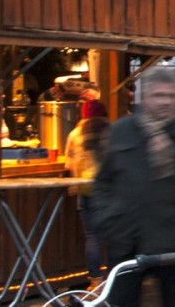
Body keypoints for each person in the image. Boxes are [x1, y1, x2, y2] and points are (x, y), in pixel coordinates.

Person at [91, 65, 175, 307]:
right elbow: (103, 182)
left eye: (171, 96)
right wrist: (108, 221)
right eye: (158, 95)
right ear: (144, 97)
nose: (165, 102)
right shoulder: (121, 131)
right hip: (128, 239)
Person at [65, 99, 110, 283]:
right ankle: (116, 277)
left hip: (85, 188)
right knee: (114, 235)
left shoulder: (75, 134)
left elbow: (69, 163)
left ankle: (95, 279)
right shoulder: (110, 130)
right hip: (107, 188)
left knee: (92, 237)